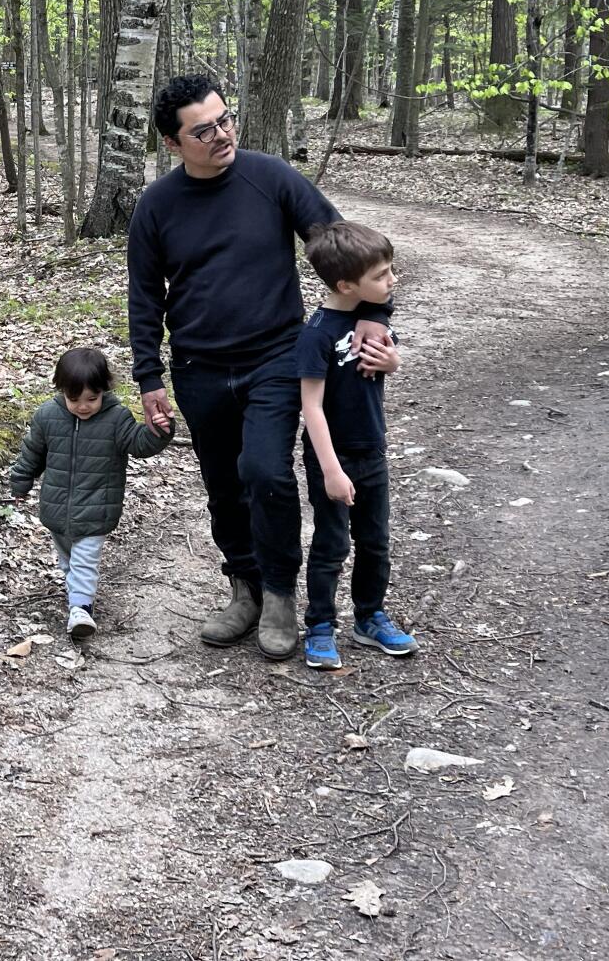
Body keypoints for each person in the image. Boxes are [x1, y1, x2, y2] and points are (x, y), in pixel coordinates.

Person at [128, 74, 393, 660]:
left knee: (265, 472)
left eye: (226, 120)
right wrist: (149, 378)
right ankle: (244, 589)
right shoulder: (156, 207)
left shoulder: (270, 178)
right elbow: (144, 296)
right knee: (223, 485)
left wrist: (376, 311)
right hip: (197, 367)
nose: (222, 134)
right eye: (203, 130)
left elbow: (343, 246)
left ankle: (279, 595)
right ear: (173, 144)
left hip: (275, 357)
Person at [295, 221, 415, 670]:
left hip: (372, 450)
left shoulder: (372, 316)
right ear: (346, 284)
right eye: (382, 275)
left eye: (391, 270)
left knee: (375, 541)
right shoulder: (318, 333)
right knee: (331, 544)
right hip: (334, 456)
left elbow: (388, 359)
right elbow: (311, 405)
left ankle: (369, 617)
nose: (392, 281)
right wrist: (330, 469)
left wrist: (395, 361)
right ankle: (321, 624)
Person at [9, 346, 175, 640]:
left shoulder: (116, 418)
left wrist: (159, 430)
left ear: (104, 391)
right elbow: (32, 453)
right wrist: (21, 482)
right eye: (74, 399)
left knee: (84, 559)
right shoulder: (48, 416)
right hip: (57, 508)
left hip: (97, 508)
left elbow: (140, 444)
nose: (83, 406)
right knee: (68, 561)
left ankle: (81, 609)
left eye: (91, 399)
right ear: (61, 390)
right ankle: (77, 597)